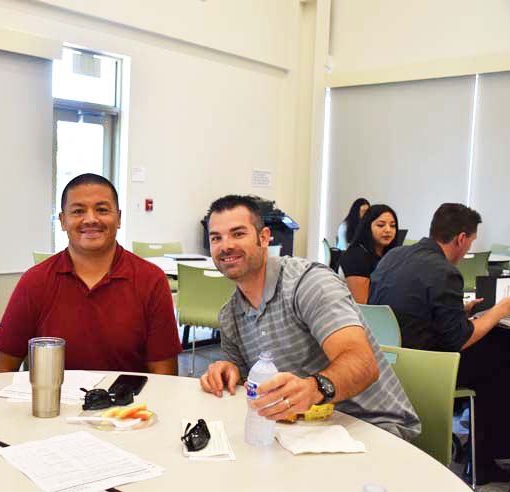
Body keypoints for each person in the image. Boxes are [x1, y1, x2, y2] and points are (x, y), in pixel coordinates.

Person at [199, 195, 419, 439]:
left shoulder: (308, 284)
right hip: (302, 432)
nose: (226, 245)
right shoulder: (230, 315)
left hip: (372, 427)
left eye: (238, 234)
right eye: (216, 238)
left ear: (264, 238)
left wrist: (313, 388)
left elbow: (363, 363)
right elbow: (245, 382)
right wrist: (228, 371)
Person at [369, 203, 510, 485]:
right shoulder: (444, 271)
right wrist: (501, 310)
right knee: (501, 357)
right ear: (461, 239)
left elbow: (412, 310)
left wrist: (461, 312)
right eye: (470, 241)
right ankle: (482, 461)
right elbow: (460, 339)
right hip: (424, 368)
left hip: (385, 360)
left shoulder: (394, 256)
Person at [0, 173, 181, 375]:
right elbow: (1, 368)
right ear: (63, 221)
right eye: (78, 211)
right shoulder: (35, 281)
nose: (91, 219)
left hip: (126, 405)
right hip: (55, 404)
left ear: (119, 219)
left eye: (102, 210)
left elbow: (165, 377)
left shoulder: (151, 280)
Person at [340, 204, 399, 303]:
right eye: (381, 225)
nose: (388, 230)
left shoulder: (389, 255)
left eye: (392, 226)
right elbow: (362, 306)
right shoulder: (356, 257)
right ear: (367, 227)